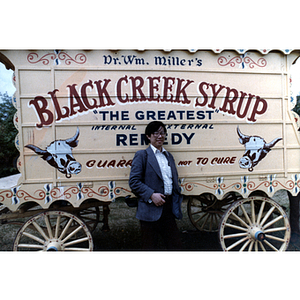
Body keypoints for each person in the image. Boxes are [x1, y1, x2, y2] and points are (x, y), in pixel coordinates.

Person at [129, 121, 183, 250]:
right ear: (148, 136)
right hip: (149, 209)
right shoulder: (142, 155)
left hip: (168, 208)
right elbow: (134, 182)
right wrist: (151, 195)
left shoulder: (168, 156)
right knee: (149, 247)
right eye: (156, 133)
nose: (160, 136)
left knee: (175, 246)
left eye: (162, 133)